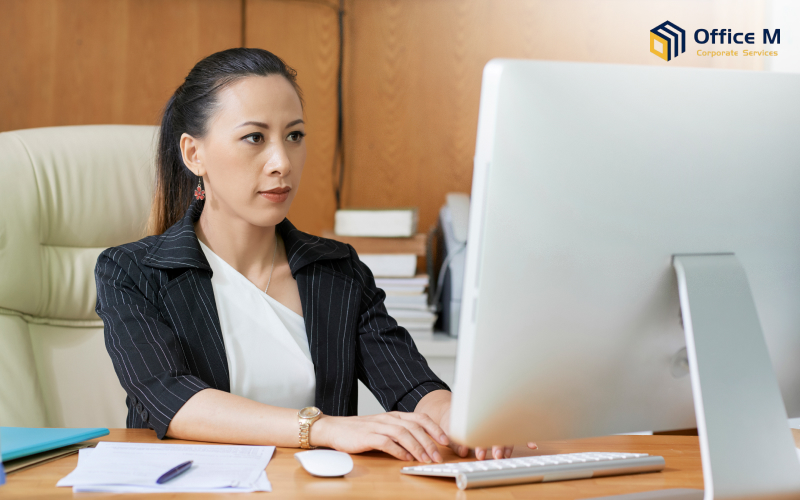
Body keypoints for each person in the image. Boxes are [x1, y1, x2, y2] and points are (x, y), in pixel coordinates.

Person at [95, 47, 533, 463]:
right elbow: (173, 401)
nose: (282, 161)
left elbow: (411, 386)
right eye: (254, 137)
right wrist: (323, 429)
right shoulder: (132, 272)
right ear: (194, 154)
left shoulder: (336, 270)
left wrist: (461, 420)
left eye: (295, 136)